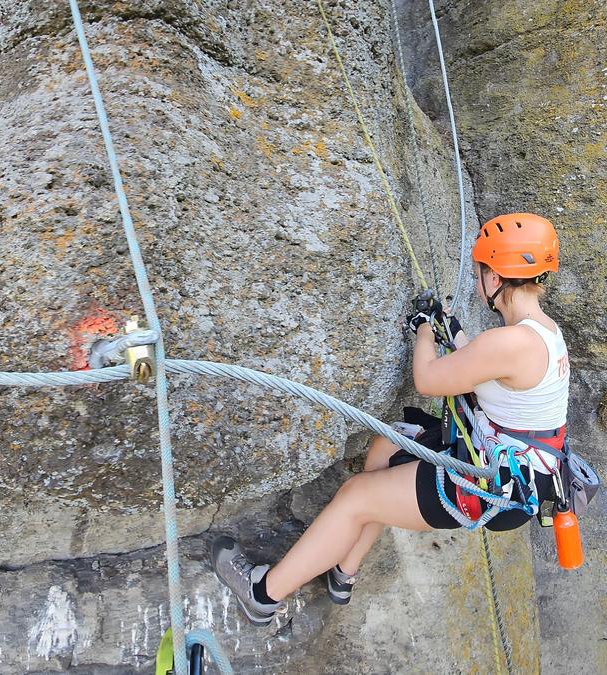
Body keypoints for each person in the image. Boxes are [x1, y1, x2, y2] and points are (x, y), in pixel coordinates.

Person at [211, 213, 567, 624]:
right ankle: (343, 571)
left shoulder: (510, 341)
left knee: (355, 498)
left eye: (479, 272)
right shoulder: (544, 332)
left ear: (495, 277)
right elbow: (486, 367)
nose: (476, 280)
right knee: (388, 443)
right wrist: (450, 328)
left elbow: (430, 380)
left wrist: (424, 333)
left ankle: (262, 595)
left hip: (490, 488)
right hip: (515, 476)